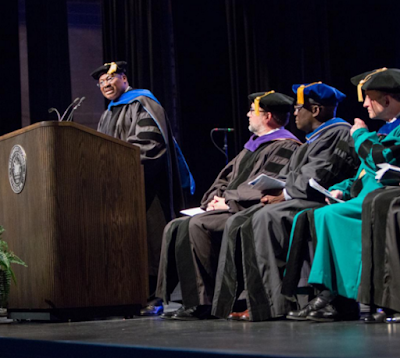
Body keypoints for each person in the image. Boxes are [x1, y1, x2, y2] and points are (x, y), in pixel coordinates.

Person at [212, 82, 359, 322]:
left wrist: (283, 194)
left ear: (316, 110)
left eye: (299, 107)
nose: (294, 113)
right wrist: (272, 189)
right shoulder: (314, 139)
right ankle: (257, 302)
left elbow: (317, 176)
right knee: (240, 219)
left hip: (320, 201)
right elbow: (290, 176)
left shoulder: (338, 134)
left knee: (263, 217)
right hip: (299, 198)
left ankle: (273, 305)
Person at [157, 91, 302, 320]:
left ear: (268, 116)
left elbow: (265, 185)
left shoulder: (286, 146)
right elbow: (223, 179)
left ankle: (209, 303)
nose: (247, 114)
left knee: (197, 225)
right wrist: (214, 199)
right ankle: (191, 299)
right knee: (176, 226)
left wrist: (228, 201)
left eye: (252, 111)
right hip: (229, 206)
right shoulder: (251, 147)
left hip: (251, 210)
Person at [284, 68, 400, 322]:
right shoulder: (384, 129)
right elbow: (363, 172)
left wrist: (359, 134)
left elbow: (382, 159)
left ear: (388, 100)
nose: (365, 104)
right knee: (322, 214)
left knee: (329, 214)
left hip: (385, 197)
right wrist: (344, 188)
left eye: (369, 98)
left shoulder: (392, 131)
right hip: (368, 197)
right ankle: (332, 297)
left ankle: (339, 298)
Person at [91, 61, 193, 307]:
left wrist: (115, 164)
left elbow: (151, 143)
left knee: (149, 241)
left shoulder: (143, 103)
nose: (105, 84)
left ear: (124, 78)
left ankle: (154, 294)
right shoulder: (108, 113)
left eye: (110, 78)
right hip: (116, 188)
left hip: (145, 187)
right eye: (101, 81)